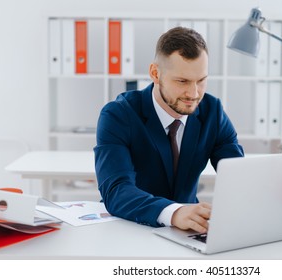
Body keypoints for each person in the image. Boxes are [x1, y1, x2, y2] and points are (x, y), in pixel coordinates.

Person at [94, 26, 244, 234]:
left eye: (201, 80)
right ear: (155, 73)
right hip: (130, 227)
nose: (193, 93)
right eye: (182, 81)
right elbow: (116, 191)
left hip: (188, 231)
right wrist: (174, 213)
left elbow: (238, 174)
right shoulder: (118, 115)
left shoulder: (212, 112)